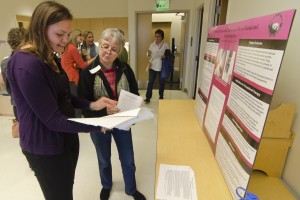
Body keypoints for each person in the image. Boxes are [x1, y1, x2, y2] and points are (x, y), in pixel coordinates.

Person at [6, 1, 117, 200]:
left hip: (64, 140)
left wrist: (93, 104)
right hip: (45, 148)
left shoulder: (47, 54)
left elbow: (64, 96)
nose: (66, 40)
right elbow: (53, 120)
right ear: (41, 27)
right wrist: (97, 124)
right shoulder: (26, 64)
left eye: (68, 34)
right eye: (60, 34)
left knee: (66, 190)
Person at [77, 28, 146, 200]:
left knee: (128, 158)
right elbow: (83, 104)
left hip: (122, 122)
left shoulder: (125, 69)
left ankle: (131, 189)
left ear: (120, 51)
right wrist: (102, 110)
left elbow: (135, 92)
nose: (108, 51)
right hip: (99, 124)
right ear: (100, 45)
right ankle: (106, 185)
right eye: (105, 46)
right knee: (103, 158)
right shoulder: (87, 72)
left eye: (114, 49)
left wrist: (136, 104)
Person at [1, 27, 25, 119]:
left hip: (16, 105)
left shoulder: (4, 62)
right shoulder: (28, 61)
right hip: (29, 105)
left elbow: (7, 87)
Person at [144, 29, 169, 103]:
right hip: (153, 66)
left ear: (162, 37)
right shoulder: (152, 45)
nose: (156, 38)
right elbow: (149, 55)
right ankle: (148, 98)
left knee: (161, 82)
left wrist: (165, 56)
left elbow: (169, 54)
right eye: (156, 36)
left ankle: (161, 96)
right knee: (150, 82)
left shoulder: (165, 45)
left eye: (158, 36)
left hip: (162, 66)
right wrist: (148, 53)